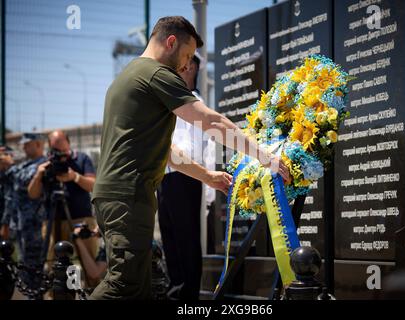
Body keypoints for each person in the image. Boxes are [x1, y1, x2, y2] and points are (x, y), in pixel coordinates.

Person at [91, 16, 290, 300]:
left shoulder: (128, 76)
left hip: (116, 195)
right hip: (128, 196)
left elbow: (167, 152)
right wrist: (265, 156)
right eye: (185, 56)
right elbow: (212, 122)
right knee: (122, 286)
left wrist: (207, 177)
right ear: (170, 42)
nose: (186, 66)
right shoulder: (157, 74)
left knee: (138, 289)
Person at [157, 53, 206, 300]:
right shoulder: (172, 100)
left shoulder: (194, 101)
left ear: (192, 68)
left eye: (185, 65)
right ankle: (175, 292)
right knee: (170, 238)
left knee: (186, 240)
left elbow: (196, 147)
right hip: (165, 176)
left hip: (185, 176)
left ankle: (188, 298)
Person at [27, 130, 97, 281]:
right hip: (52, 221)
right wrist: (39, 174)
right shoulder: (44, 164)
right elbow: (32, 194)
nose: (62, 156)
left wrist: (75, 177)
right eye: (57, 151)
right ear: (50, 148)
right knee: (54, 268)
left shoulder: (82, 159)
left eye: (64, 151)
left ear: (69, 143)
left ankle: (87, 292)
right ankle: (56, 294)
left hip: (81, 220)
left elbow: (94, 186)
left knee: (88, 264)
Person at [0, 133, 47, 292]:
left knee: (33, 264)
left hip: (34, 223)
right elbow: (7, 178)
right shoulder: (25, 164)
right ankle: (29, 292)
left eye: (28, 144)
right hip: (20, 221)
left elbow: (23, 182)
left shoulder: (43, 163)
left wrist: (10, 165)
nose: (24, 147)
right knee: (23, 261)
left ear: (39, 144)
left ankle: (34, 293)